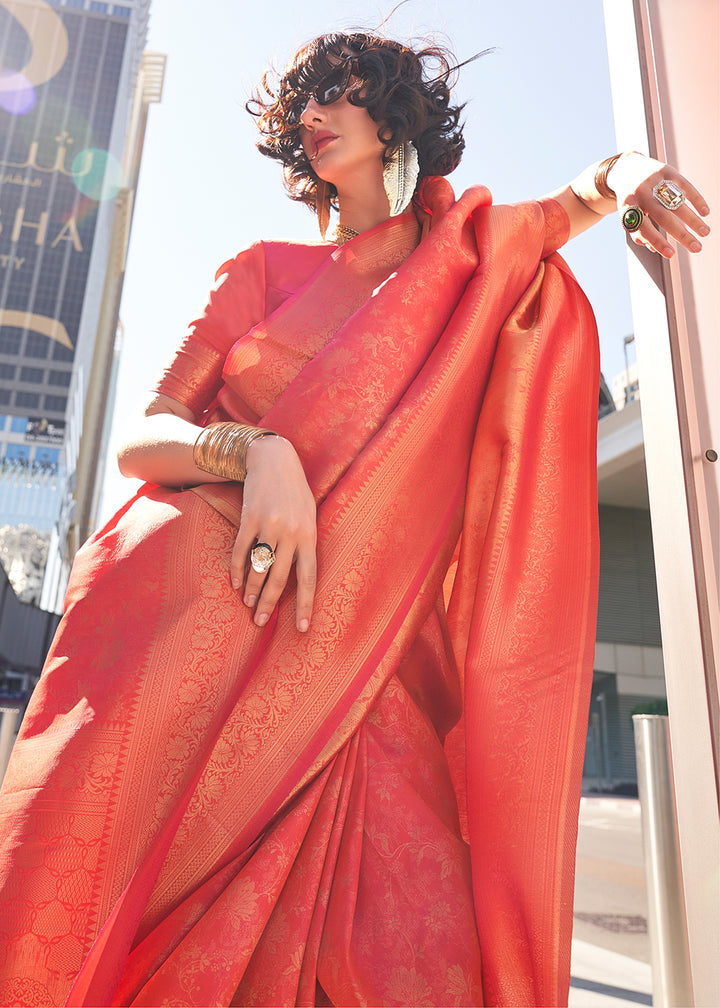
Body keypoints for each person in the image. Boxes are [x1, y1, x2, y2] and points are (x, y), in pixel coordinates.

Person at [0, 30, 709, 1008]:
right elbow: (147, 438)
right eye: (305, 100)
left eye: (340, 92)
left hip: (381, 688)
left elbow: (574, 201)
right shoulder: (260, 272)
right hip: (220, 668)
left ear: (393, 117)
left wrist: (634, 175)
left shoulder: (469, 263)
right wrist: (256, 451)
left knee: (422, 958)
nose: (314, 113)